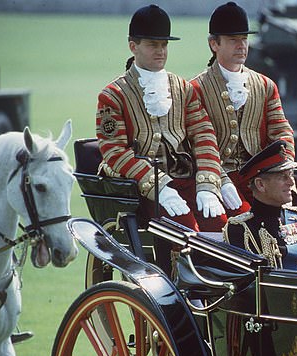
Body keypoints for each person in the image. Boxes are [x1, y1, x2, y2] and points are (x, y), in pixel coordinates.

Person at [96, 4, 226, 232]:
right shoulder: (113, 95)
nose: (161, 51)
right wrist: (159, 188)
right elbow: (114, 152)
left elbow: (204, 135)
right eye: (152, 45)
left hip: (186, 180)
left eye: (164, 45)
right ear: (133, 46)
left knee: (221, 225)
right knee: (185, 230)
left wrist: (207, 184)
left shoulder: (184, 88)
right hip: (139, 188)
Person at [190, 1, 295, 221]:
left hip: (259, 181)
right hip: (214, 180)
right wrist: (217, 179)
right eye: (233, 40)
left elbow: (282, 134)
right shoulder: (195, 89)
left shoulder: (265, 86)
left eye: (244, 39)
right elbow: (193, 145)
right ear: (214, 44)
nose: (241, 46)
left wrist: (281, 173)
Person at [223, 141, 297, 272]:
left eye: (291, 174)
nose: (291, 182)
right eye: (283, 177)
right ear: (260, 184)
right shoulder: (240, 229)